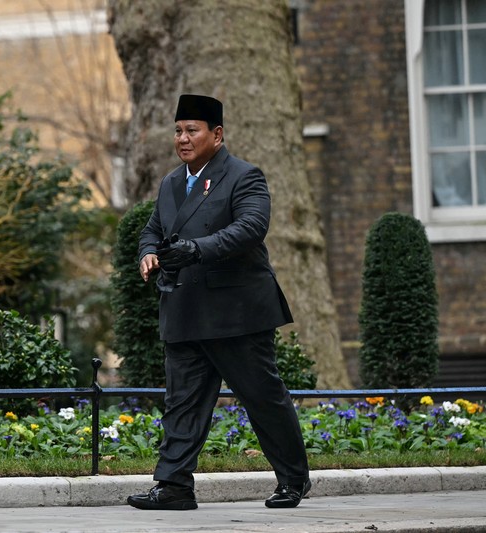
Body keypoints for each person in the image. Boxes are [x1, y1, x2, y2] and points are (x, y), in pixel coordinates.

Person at [127, 94, 311, 511]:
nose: (183, 138)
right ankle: (173, 486)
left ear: (217, 134)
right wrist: (148, 253)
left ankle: (293, 481)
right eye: (178, 130)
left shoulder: (244, 176)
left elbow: (251, 228)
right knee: (183, 403)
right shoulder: (172, 182)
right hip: (185, 310)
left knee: (261, 396)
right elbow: (152, 229)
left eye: (192, 130)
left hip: (236, 313)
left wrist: (196, 248)